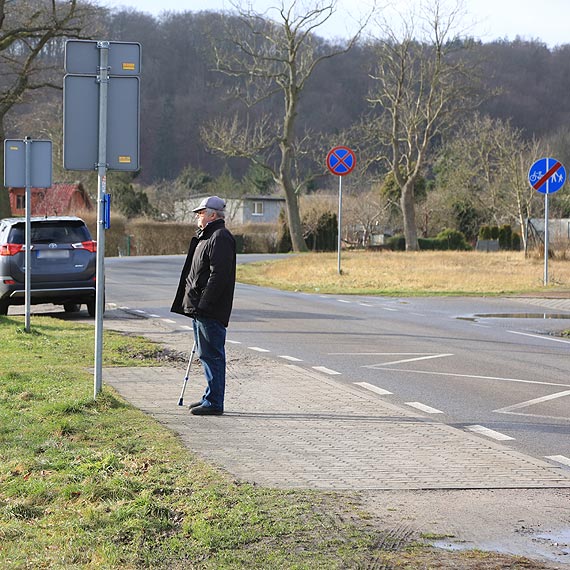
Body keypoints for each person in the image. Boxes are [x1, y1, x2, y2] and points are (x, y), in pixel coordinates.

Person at [171, 196, 236, 415]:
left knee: (213, 354)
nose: (198, 217)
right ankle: (210, 396)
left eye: (201, 213)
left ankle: (215, 402)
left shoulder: (220, 237)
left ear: (213, 215)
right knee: (205, 354)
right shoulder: (206, 237)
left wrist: (205, 303)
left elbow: (219, 276)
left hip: (209, 309)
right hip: (200, 308)